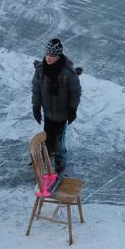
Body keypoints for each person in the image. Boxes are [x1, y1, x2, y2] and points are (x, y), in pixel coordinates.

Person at [32, 38, 81, 174]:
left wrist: (73, 109)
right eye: (48, 54)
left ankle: (60, 158)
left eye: (53, 55)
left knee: (60, 137)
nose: (49, 58)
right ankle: (47, 153)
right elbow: (36, 89)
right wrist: (36, 107)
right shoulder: (41, 70)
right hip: (48, 111)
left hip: (63, 112)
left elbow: (75, 92)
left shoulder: (68, 72)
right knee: (48, 134)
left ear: (58, 56)